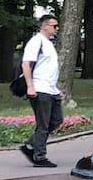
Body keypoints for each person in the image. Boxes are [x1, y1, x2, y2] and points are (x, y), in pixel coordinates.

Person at [19, 13, 63, 167]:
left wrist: (56, 89)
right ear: (45, 26)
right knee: (43, 124)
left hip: (51, 89)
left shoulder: (48, 43)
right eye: (54, 26)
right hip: (39, 88)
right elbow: (26, 64)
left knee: (57, 120)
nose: (57, 29)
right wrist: (30, 86)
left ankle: (31, 145)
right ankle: (39, 156)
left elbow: (49, 69)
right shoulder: (36, 42)